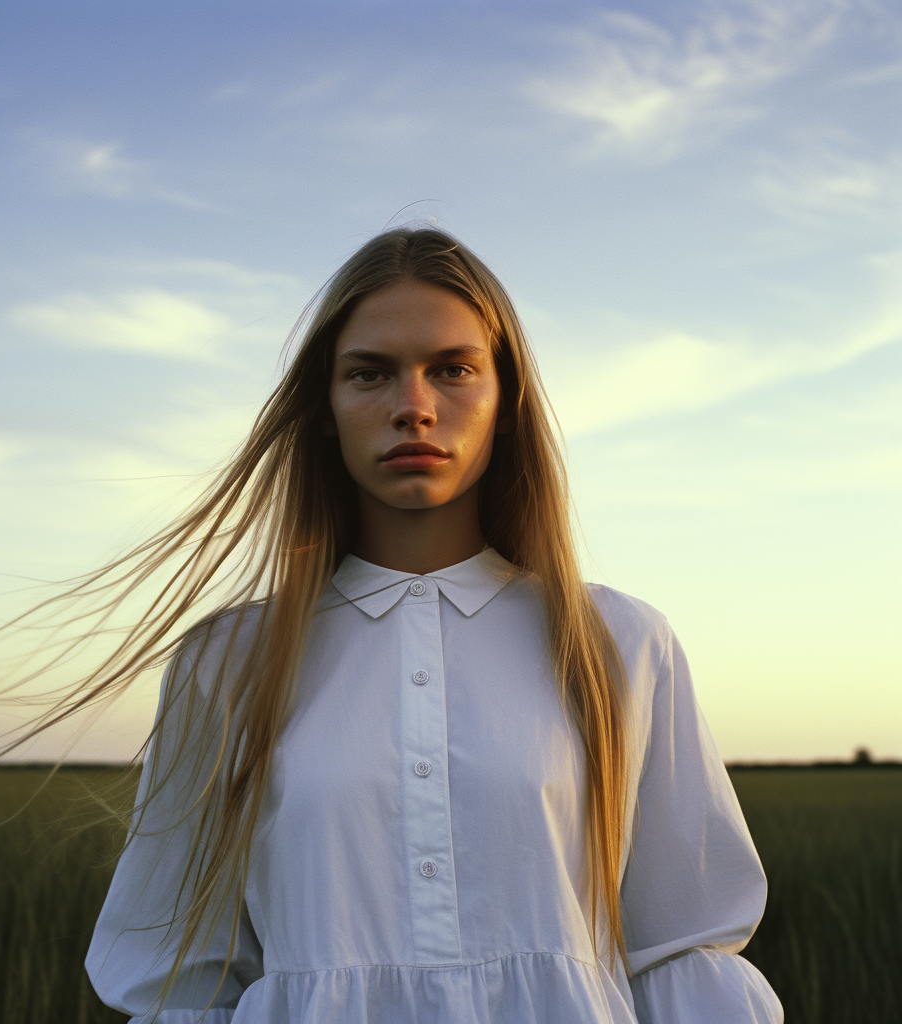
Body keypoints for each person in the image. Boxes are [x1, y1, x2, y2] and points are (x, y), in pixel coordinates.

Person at [83, 228, 783, 1023]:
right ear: (325, 409)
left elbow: (683, 950)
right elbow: (184, 985)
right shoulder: (228, 661)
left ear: (505, 400)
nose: (413, 408)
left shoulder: (618, 643)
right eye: (369, 373)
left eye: (453, 370)